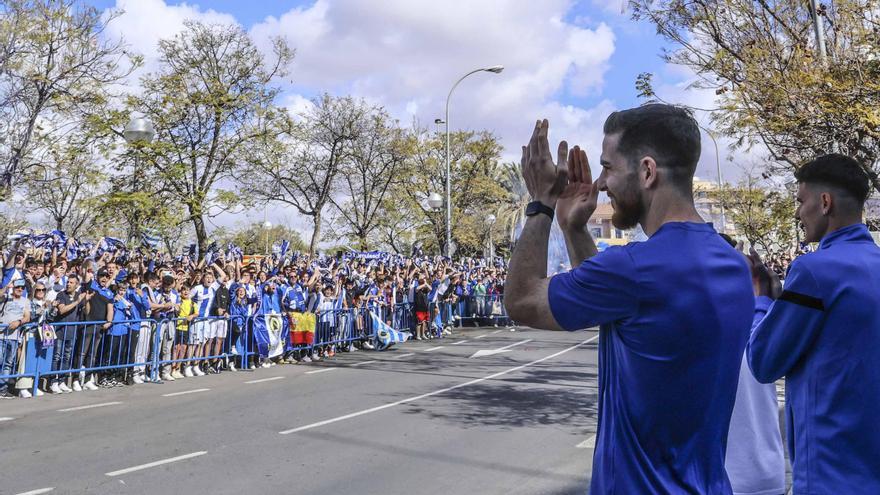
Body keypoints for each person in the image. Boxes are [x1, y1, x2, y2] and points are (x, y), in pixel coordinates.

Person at [505, 106, 754, 493]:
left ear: (647, 172)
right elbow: (617, 306)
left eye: (608, 167)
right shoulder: (735, 266)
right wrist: (573, 227)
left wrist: (541, 203)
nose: (601, 184)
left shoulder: (634, 269)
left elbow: (521, 299)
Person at [748, 154, 880, 494]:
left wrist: (762, 299)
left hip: (830, 473)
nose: (796, 212)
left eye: (800, 201)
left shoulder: (814, 271)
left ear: (825, 203)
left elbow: (763, 362)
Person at [50, 275, 86, 393]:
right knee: (57, 356)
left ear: (76, 285)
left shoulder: (77, 295)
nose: (68, 284)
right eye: (68, 282)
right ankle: (53, 381)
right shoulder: (61, 295)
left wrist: (87, 300)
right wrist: (77, 301)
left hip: (71, 331)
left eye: (71, 283)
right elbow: (62, 310)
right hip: (60, 331)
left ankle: (62, 381)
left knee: (67, 357)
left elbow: (86, 311)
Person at [0, 279, 31, 399]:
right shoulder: (6, 297)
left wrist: (19, 322)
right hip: (1, 335)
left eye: (22, 288)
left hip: (14, 336)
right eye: (18, 287)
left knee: (7, 363)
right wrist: (7, 287)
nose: (20, 289)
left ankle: (3, 389)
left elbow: (27, 317)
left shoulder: (25, 301)